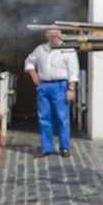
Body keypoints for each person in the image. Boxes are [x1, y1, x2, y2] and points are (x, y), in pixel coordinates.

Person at [25, 26, 80, 158]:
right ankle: (46, 147)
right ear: (46, 36)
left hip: (60, 85)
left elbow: (73, 72)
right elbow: (29, 62)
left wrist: (71, 89)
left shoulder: (68, 50)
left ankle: (64, 147)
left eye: (56, 34)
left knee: (62, 118)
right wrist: (33, 75)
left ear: (61, 35)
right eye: (50, 35)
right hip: (44, 85)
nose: (54, 37)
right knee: (44, 117)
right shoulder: (40, 49)